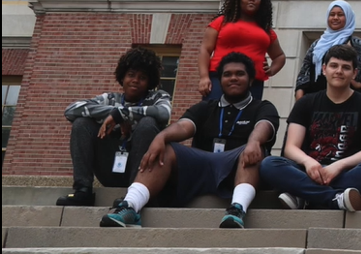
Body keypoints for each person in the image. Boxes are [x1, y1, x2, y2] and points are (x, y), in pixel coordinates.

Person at [100, 52, 279, 228]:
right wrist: (161, 137)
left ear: (251, 80)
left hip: (236, 165)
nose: (233, 78)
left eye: (239, 74)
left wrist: (254, 142)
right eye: (227, 74)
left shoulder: (262, 106)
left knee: (254, 150)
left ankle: (237, 210)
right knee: (166, 148)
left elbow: (263, 126)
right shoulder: (205, 107)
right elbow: (185, 126)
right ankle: (129, 207)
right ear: (220, 80)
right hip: (200, 164)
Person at [259, 44, 361, 211]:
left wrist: (338, 166)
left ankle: (303, 195)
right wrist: (308, 163)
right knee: (269, 164)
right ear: (324, 69)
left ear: (355, 73)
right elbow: (290, 148)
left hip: (347, 171)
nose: (339, 71)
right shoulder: (306, 102)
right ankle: (334, 198)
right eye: (334, 66)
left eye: (346, 68)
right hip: (308, 170)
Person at [58, 47, 172, 206]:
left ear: (149, 82)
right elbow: (71, 110)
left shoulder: (158, 97)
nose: (135, 80)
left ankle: (135, 195)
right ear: (122, 77)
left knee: (148, 123)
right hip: (110, 166)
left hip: (142, 171)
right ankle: (82, 190)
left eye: (142, 77)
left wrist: (122, 115)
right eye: (131, 75)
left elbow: (164, 113)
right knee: (81, 123)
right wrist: (114, 112)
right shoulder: (110, 99)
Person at [198, 0, 284, 101]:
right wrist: (204, 77)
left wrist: (272, 70)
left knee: (246, 117)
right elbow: (205, 50)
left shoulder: (266, 29)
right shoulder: (221, 21)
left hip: (253, 82)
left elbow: (279, 56)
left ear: (262, 2)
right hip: (220, 78)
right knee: (214, 115)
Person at [295, 0, 361, 99]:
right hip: (316, 100)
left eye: (340, 14)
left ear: (348, 17)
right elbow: (305, 71)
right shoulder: (317, 44)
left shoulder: (358, 44)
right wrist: (300, 96)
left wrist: (360, 82)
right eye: (332, 14)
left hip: (349, 101)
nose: (335, 18)